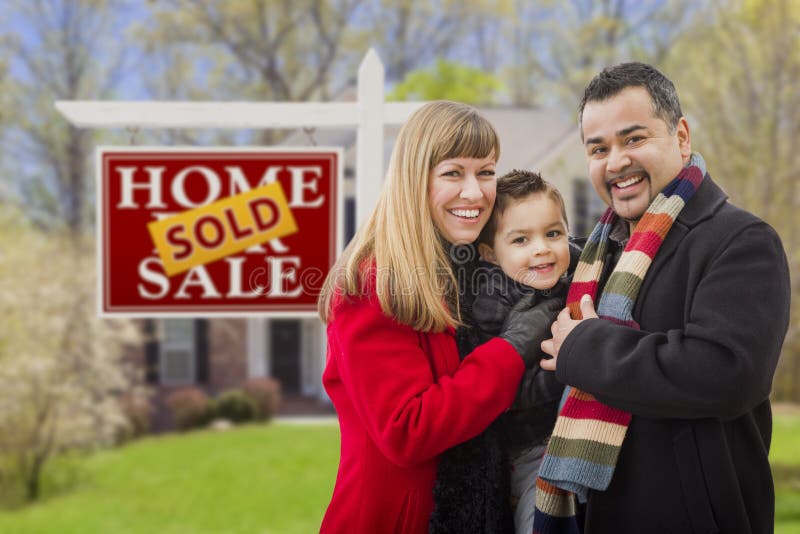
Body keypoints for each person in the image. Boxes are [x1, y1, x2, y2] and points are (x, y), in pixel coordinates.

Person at [534, 62, 790, 534]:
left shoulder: (741, 240)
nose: (615, 162)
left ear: (682, 136)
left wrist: (585, 347)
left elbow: (728, 373)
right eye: (598, 148)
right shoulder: (594, 255)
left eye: (634, 139)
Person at [317, 100, 562, 534]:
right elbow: (408, 430)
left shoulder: (470, 271)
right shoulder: (372, 284)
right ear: (416, 179)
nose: (475, 192)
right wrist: (513, 347)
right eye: (454, 173)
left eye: (486, 172)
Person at [430, 170, 579, 534]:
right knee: (542, 521)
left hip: (568, 434)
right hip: (528, 447)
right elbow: (506, 392)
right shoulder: (491, 301)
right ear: (491, 255)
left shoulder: (574, 275)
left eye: (553, 233)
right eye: (521, 240)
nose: (542, 248)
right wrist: (570, 372)